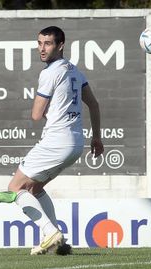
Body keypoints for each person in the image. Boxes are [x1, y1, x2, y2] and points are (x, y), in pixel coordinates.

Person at [7, 26, 104, 255]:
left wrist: (51, 112)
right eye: (39, 43)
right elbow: (95, 104)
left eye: (47, 43)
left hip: (56, 141)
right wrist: (97, 138)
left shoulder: (50, 72)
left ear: (60, 45)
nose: (42, 48)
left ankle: (49, 231)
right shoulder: (75, 71)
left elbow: (36, 114)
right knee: (35, 188)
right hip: (75, 144)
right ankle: (59, 244)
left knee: (15, 188)